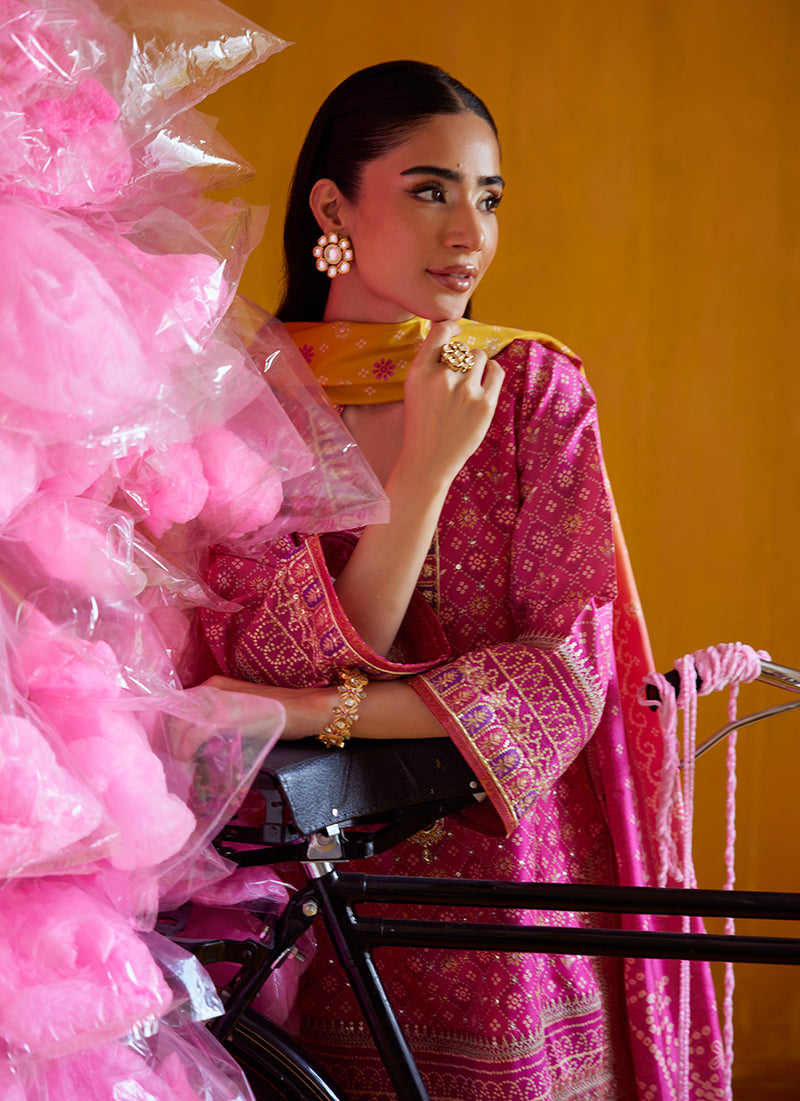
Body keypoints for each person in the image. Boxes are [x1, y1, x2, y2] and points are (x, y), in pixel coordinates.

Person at [201, 61, 725, 1101]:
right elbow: (267, 651)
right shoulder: (245, 401)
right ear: (330, 205)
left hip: (512, 894)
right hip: (312, 894)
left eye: (487, 199)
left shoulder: (529, 388)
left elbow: (562, 677)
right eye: (430, 189)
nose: (468, 233)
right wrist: (423, 473)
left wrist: (314, 709)